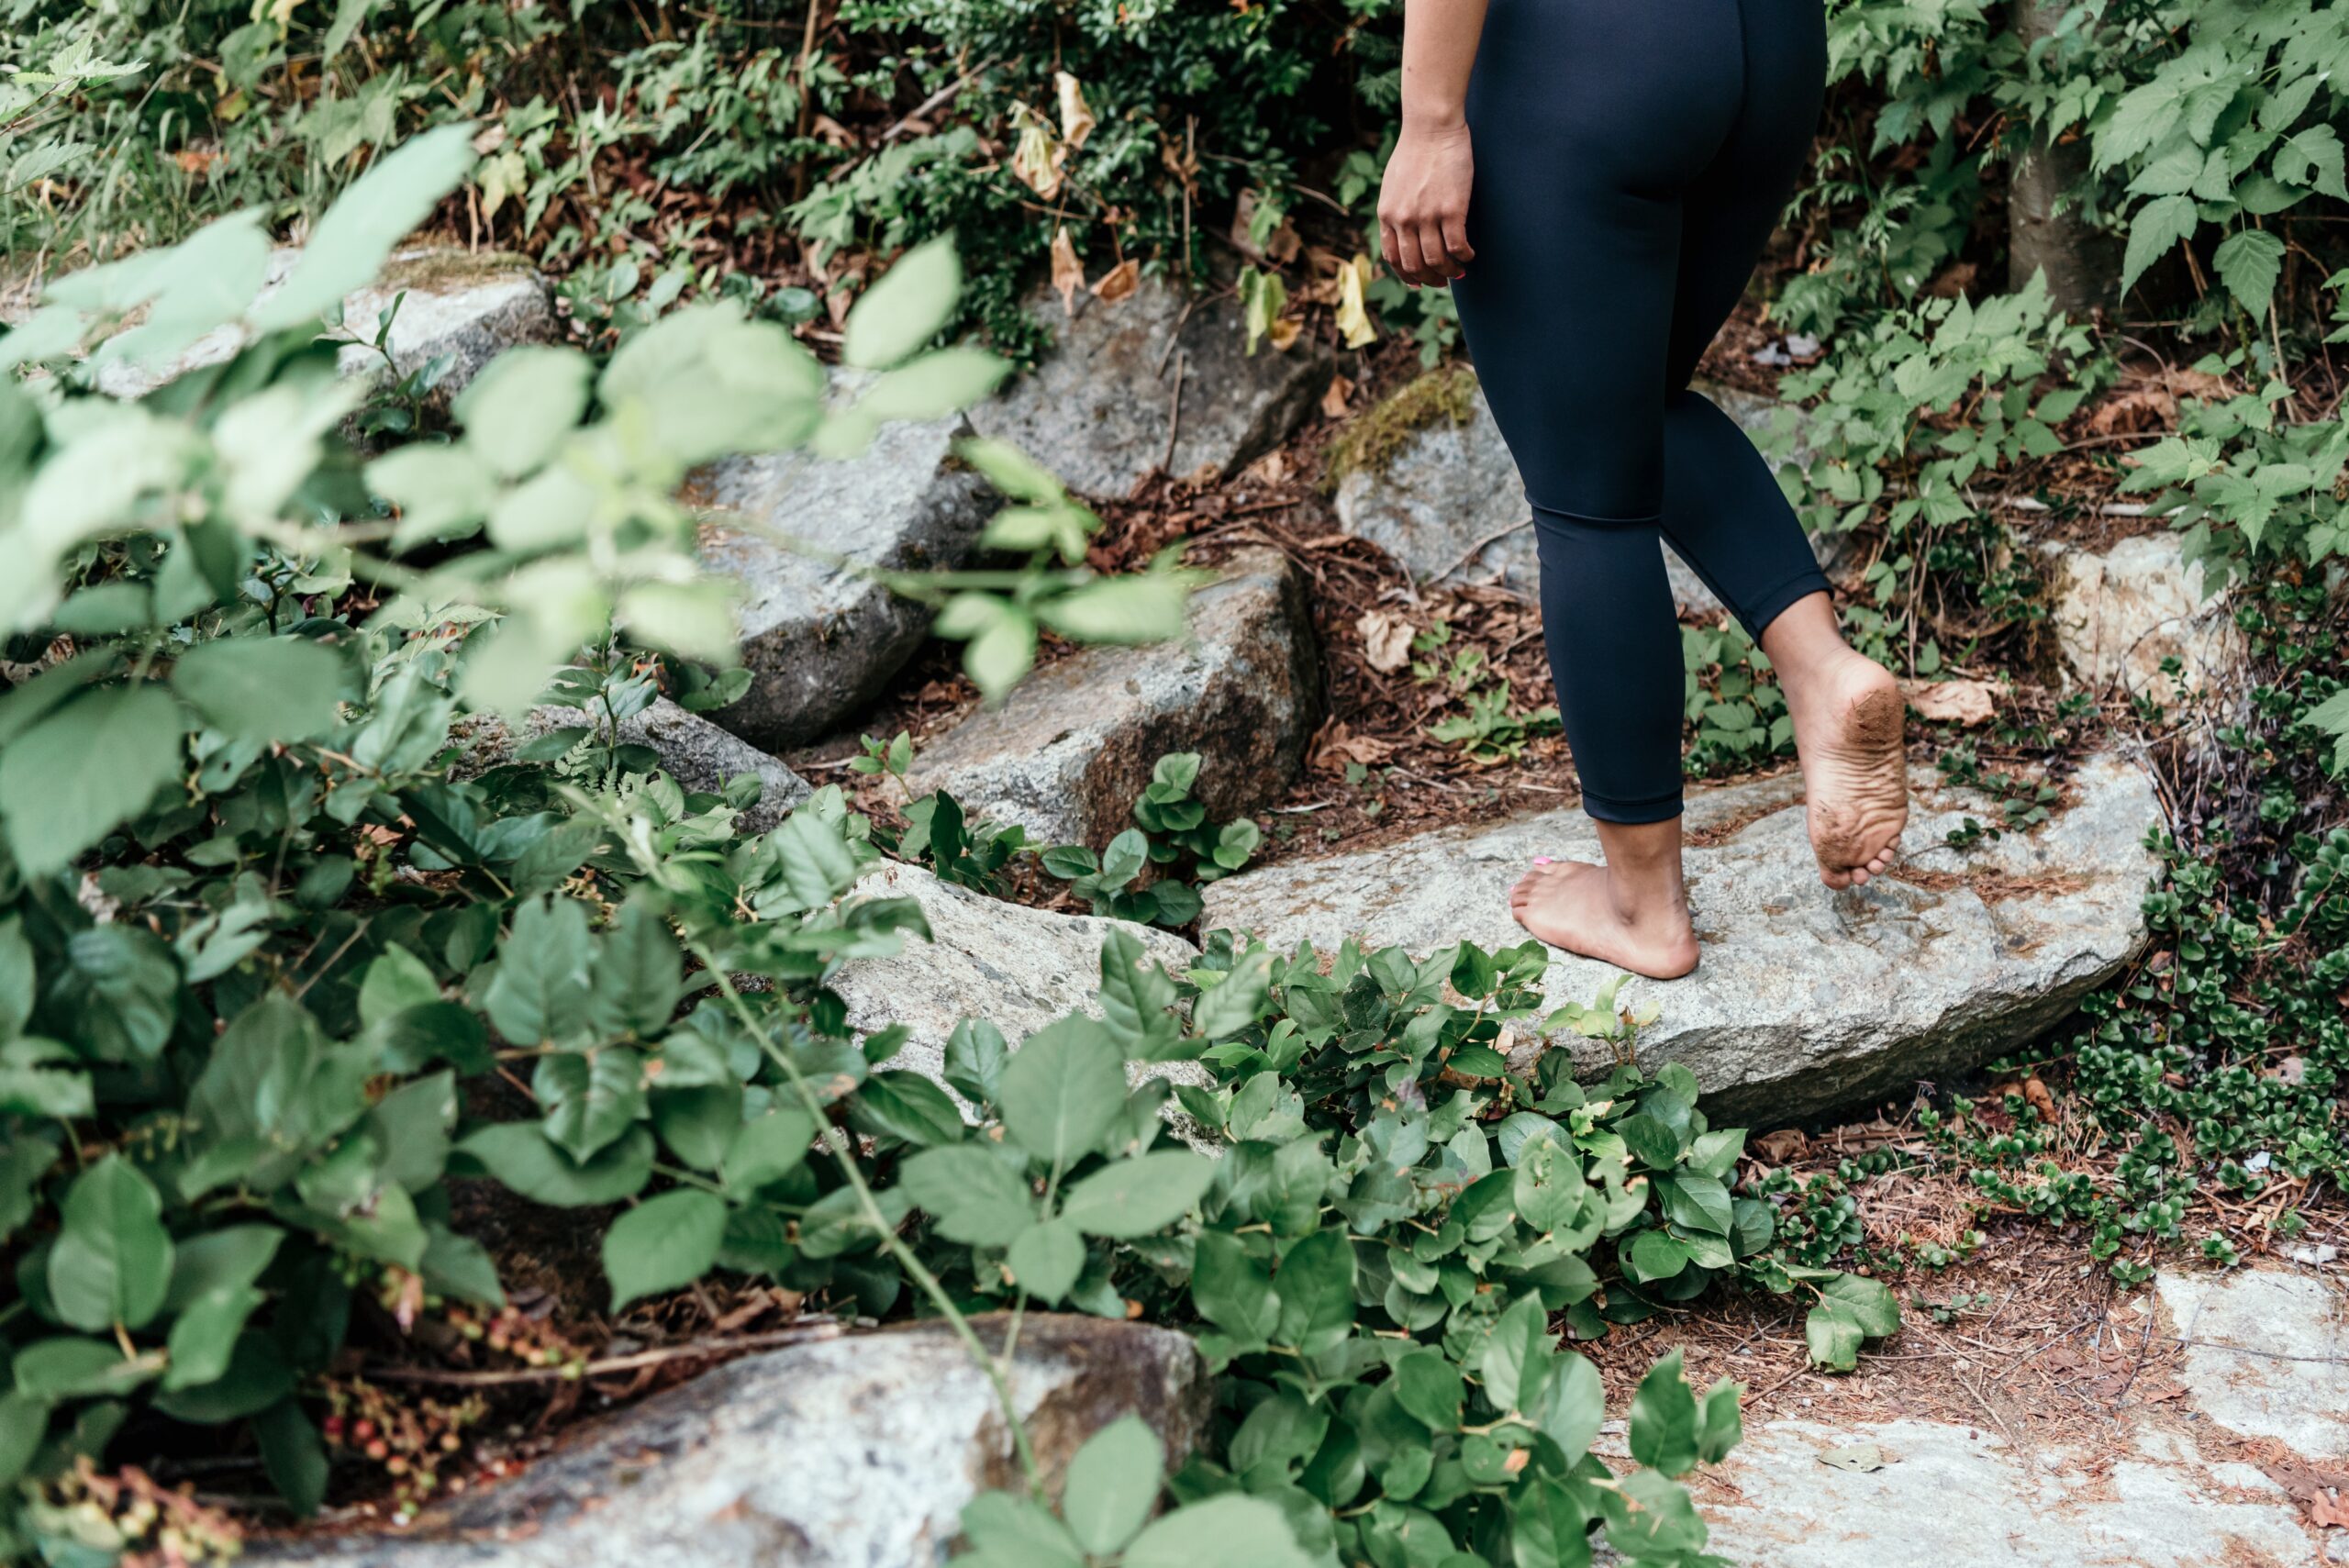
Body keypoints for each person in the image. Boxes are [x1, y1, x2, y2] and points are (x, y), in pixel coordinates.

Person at [1376, 0, 1909, 981]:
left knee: (1588, 494)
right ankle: (1820, 669)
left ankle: (1642, 905)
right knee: (1627, 403)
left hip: (1587, 54)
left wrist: (1432, 120)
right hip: (1768, 50)